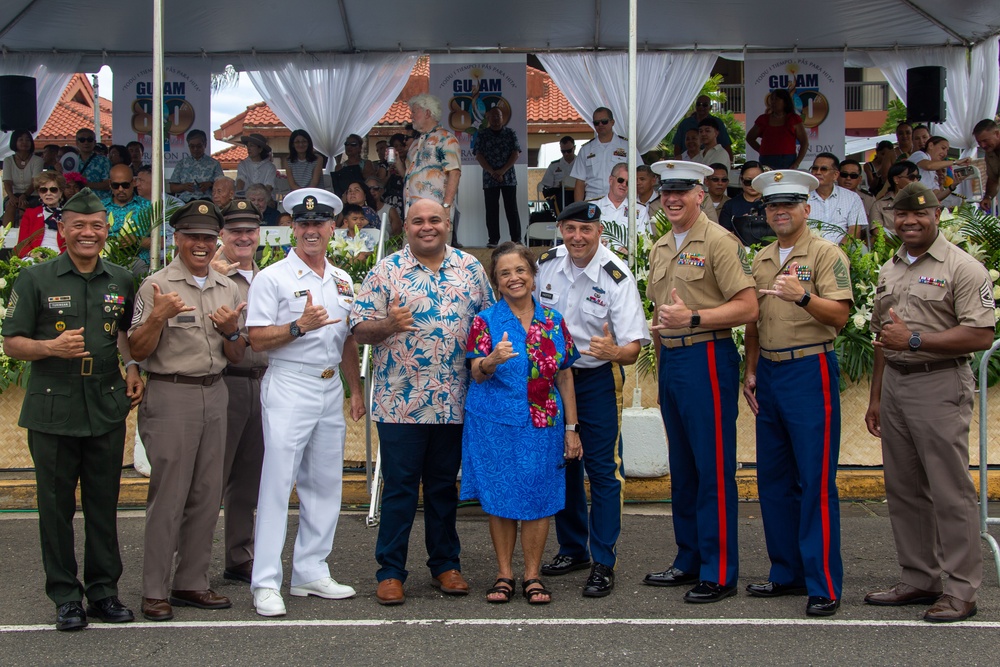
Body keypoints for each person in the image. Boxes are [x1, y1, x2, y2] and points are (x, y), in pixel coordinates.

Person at [1, 188, 143, 631]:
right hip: (53, 406)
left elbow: (125, 333)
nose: (88, 233)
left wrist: (133, 365)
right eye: (79, 225)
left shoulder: (122, 279)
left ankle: (103, 592)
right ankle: (65, 596)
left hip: (104, 403)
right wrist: (50, 347)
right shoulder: (36, 279)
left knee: (104, 505)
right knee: (56, 508)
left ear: (107, 230)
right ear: (62, 230)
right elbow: (11, 341)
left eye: (96, 226)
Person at [864, 182, 996, 623]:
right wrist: (877, 396)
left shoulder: (963, 268)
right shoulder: (891, 268)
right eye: (901, 216)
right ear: (892, 220)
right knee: (903, 489)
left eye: (919, 215)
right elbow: (885, 335)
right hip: (897, 386)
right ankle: (920, 578)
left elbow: (981, 334)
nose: (910, 222)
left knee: (949, 491)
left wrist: (916, 339)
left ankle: (961, 590)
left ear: (936, 214)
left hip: (938, 383)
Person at [351, 198, 493, 606]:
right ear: (406, 227)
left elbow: (485, 325)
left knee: (443, 488)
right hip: (400, 401)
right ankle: (391, 572)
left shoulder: (470, 269)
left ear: (448, 223)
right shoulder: (386, 271)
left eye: (434, 220)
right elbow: (359, 329)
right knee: (399, 488)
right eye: (418, 221)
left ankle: (446, 565)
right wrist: (388, 325)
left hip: (454, 400)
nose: (426, 227)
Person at [245, 188, 364, 616]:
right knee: (277, 484)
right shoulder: (272, 277)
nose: (311, 231)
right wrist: (297, 327)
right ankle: (265, 583)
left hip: (330, 386)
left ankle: (311, 570)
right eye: (303, 224)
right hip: (290, 384)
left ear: (334, 228)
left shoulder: (343, 280)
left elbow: (347, 338)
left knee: (325, 484)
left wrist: (355, 389)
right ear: (291, 229)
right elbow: (255, 338)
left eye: (319, 224)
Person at [643, 160, 757, 603]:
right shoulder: (660, 246)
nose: (671, 200)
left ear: (700, 195)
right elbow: (660, 308)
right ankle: (688, 558)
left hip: (707, 358)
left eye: (681, 192)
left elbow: (748, 308)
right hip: (673, 362)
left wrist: (694, 317)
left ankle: (719, 569)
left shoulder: (719, 242)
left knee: (711, 469)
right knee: (685, 470)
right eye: (665, 193)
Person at [742, 169, 853, 617]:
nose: (780, 212)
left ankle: (823, 582)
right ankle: (785, 571)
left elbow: (840, 317)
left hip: (810, 370)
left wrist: (804, 297)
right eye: (772, 206)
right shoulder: (763, 256)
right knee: (773, 480)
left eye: (789, 205)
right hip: (769, 372)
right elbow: (753, 320)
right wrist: (750, 371)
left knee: (815, 481)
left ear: (808, 209)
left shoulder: (826, 254)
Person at [128, 200, 246, 622]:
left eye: (207, 237)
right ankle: (155, 589)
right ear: (176, 239)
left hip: (215, 393)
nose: (200, 244)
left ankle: (191, 582)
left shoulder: (227, 286)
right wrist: (158, 318)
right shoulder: (156, 286)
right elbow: (138, 351)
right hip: (171, 395)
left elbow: (234, 354)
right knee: (170, 495)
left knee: (205, 494)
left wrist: (232, 330)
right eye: (192, 236)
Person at [535, 199, 649, 599]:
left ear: (599, 231)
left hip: (596, 378)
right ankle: (572, 549)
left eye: (585, 230)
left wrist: (612, 352)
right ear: (561, 231)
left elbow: (634, 347)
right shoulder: (547, 265)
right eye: (570, 229)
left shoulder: (616, 276)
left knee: (601, 470)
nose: (577, 238)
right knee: (562, 463)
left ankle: (603, 560)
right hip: (552, 380)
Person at [462, 242, 581, 604]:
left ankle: (532, 575)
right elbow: (475, 374)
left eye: (520, 271)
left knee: (538, 495)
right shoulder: (485, 321)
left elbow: (565, 377)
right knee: (500, 498)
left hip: (543, 420)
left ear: (532, 276)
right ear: (497, 282)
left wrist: (572, 429)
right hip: (494, 422)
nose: (514, 278)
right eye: (505, 273)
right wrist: (492, 360)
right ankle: (504, 574)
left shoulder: (553, 321)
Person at [209, 200, 269, 587]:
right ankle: (188, 564)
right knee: (209, 478)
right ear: (222, 236)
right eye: (235, 231)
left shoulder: (267, 277)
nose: (243, 237)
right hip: (224, 380)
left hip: (264, 382)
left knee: (249, 480)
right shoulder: (210, 276)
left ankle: (239, 557)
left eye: (250, 231)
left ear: (259, 235)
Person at [405, 94, 462, 246]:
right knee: (411, 261)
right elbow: (408, 176)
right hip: (413, 214)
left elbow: (454, 172)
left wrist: (446, 206)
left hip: (435, 214)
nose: (411, 116)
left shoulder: (446, 138)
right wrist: (397, 160)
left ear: (428, 113)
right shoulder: (415, 143)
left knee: (436, 257)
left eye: (414, 111)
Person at [474, 107, 522, 247]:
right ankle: (493, 240)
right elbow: (478, 155)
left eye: (498, 116)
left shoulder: (510, 133)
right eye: (493, 116)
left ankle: (516, 239)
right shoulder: (482, 134)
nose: (496, 119)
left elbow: (516, 153)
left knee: (511, 208)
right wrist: (492, 172)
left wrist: (502, 171)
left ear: (502, 118)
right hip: (490, 178)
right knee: (491, 209)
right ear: (488, 118)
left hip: (509, 177)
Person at [806, 153, 867, 246]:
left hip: (843, 251)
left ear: (835, 175)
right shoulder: (802, 197)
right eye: (815, 168)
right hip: (810, 250)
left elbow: (854, 232)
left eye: (823, 169)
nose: (818, 172)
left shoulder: (852, 198)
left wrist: (838, 252)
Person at [571, 107, 629, 201]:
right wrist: (579, 209)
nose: (600, 125)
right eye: (596, 123)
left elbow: (637, 175)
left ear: (612, 122)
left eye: (604, 121)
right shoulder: (586, 149)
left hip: (620, 201)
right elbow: (580, 182)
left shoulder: (627, 146)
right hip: (593, 200)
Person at [105, 164, 152, 273]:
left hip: (138, 263)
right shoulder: (100, 207)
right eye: (116, 185)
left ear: (134, 182)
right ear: (110, 184)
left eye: (125, 185)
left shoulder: (148, 207)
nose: (120, 189)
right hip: (107, 262)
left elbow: (161, 241)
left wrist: (137, 240)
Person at [592, 163, 651, 251]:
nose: (624, 185)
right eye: (620, 180)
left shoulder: (640, 210)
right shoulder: (593, 206)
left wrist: (631, 251)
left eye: (628, 182)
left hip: (627, 262)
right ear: (611, 180)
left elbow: (646, 241)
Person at [746, 89, 809, 170]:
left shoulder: (793, 119)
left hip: (788, 160)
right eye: (772, 99)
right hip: (766, 160)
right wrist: (761, 150)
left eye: (776, 99)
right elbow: (750, 138)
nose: (773, 102)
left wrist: (796, 163)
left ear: (785, 102)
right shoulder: (763, 119)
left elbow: (804, 142)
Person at [16, 172, 66, 257]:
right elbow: (22, 244)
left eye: (53, 190)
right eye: (44, 190)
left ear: (60, 192)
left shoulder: (69, 214)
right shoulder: (30, 213)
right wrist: (33, 254)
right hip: (35, 255)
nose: (48, 193)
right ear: (39, 193)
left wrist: (61, 257)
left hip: (62, 256)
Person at [718, 161, 768, 246]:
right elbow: (723, 236)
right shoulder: (730, 205)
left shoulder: (772, 204)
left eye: (756, 182)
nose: (752, 185)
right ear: (741, 179)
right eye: (748, 182)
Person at [909, 136, 970, 202]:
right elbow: (928, 166)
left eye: (947, 151)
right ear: (931, 145)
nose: (945, 154)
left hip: (920, 203)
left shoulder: (935, 173)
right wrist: (955, 162)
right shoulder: (920, 155)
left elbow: (936, 197)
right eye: (943, 148)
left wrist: (953, 185)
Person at [169, 130, 223, 202]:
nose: (195, 149)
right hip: (185, 202)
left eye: (199, 146)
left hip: (207, 201)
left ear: (205, 144)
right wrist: (183, 187)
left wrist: (210, 184)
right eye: (192, 146)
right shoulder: (181, 164)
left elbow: (223, 185)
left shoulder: (214, 164)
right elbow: (172, 188)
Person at [673, 95, 733, 161]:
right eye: (698, 104)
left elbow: (726, 144)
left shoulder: (717, 122)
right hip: (687, 161)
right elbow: (677, 145)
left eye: (704, 105)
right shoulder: (685, 123)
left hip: (711, 160)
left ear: (710, 107)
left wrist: (730, 161)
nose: (701, 107)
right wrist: (678, 162)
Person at [868, 161, 919, 237]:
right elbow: (877, 231)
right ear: (896, 179)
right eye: (911, 177)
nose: (916, 181)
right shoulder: (879, 205)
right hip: (891, 246)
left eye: (918, 178)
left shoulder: (922, 202)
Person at [3, 129, 43, 225]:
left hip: (32, 195)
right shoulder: (8, 160)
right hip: (14, 195)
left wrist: (24, 196)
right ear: (14, 142)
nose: (24, 142)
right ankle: (6, 235)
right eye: (21, 140)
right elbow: (7, 181)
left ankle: (25, 235)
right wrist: (11, 196)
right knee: (10, 205)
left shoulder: (38, 160)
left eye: (28, 140)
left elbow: (35, 182)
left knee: (25, 206)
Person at [539, 135, 578, 215]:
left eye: (569, 151)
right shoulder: (554, 166)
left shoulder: (581, 164)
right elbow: (546, 185)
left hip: (577, 194)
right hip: (559, 197)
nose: (566, 154)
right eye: (563, 151)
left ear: (574, 148)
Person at [973, 118, 999, 212]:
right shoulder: (990, 153)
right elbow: (993, 178)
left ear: (997, 134)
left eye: (985, 141)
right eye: (979, 142)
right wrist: (988, 196)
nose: (982, 145)